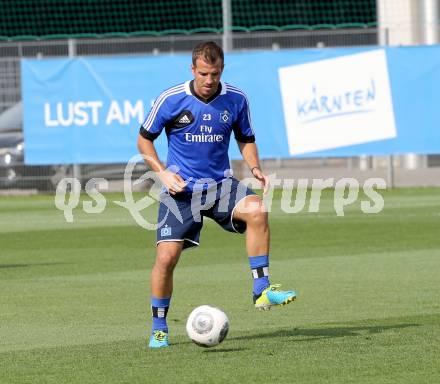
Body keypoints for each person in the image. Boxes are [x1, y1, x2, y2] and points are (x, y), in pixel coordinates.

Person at [137, 41, 296, 348]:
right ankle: (159, 327)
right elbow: (144, 141)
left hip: (221, 186)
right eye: (204, 74)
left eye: (216, 73)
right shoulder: (171, 99)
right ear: (193, 69)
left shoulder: (235, 99)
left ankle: (261, 289)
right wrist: (162, 172)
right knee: (166, 259)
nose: (210, 80)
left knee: (257, 211)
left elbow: (246, 138)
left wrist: (255, 167)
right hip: (181, 191)